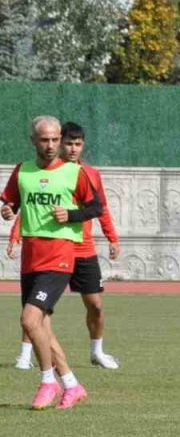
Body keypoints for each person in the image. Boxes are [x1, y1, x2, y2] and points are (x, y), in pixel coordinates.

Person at [0, 116, 105, 410]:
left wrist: (71, 215)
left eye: (55, 139)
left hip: (59, 256)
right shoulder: (22, 171)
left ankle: (48, 381)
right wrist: (8, 210)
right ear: (33, 140)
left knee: (29, 320)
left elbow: (96, 207)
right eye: (44, 140)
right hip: (31, 257)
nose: (51, 145)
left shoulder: (75, 173)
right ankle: (73, 385)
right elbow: (11, 203)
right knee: (42, 327)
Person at [10, 121, 121, 370]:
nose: (72, 149)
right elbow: (28, 208)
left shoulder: (87, 174)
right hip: (52, 251)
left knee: (95, 304)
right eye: (68, 143)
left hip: (83, 249)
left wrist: (112, 237)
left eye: (77, 144)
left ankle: (96, 353)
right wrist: (15, 235)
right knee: (37, 310)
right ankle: (27, 355)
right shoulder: (37, 172)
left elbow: (99, 208)